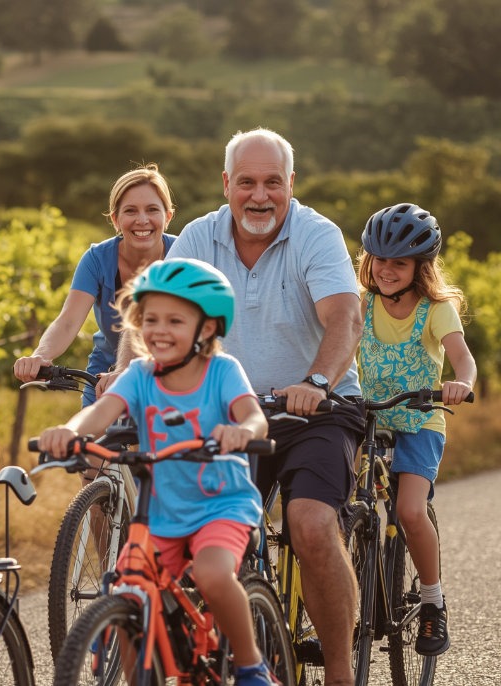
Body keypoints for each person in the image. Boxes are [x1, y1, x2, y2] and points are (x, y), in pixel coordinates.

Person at [161, 128, 365, 686]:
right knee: (203, 536)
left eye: (272, 182)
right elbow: (156, 317)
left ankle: (341, 675)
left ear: (291, 184)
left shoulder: (316, 235)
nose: (259, 195)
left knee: (311, 524)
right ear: (226, 183)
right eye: (246, 182)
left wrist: (317, 381)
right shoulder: (198, 238)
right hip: (232, 416)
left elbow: (345, 317)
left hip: (316, 410)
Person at [39, 258, 276, 685]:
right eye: (150, 319)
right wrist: (70, 431)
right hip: (161, 513)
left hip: (220, 505)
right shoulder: (140, 374)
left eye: (174, 321)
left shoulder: (222, 371)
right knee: (128, 590)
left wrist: (242, 432)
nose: (159, 330)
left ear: (207, 328)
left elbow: (254, 417)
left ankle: (250, 665)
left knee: (213, 575)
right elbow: (100, 413)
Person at [356, 203, 476, 656]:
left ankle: (432, 601)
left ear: (420, 268)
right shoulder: (362, 303)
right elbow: (337, 346)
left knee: (409, 510)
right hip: (369, 417)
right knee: (342, 501)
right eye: (380, 260)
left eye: (400, 263)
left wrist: (462, 383)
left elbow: (462, 358)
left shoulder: (435, 310)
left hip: (419, 420)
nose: (386, 270)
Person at [14, 163, 177, 405]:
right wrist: (40, 355)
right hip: (105, 375)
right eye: (130, 211)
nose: (142, 220)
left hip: (170, 373)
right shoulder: (97, 259)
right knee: (91, 430)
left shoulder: (182, 254)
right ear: (115, 219)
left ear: (168, 216)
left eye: (152, 210)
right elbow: (68, 321)